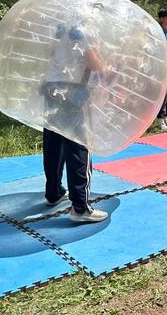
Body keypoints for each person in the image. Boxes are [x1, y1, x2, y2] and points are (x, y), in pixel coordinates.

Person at [43, 21, 108, 223]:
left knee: (54, 139)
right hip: (73, 91)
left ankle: (53, 192)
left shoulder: (61, 28)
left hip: (52, 87)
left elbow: (51, 54)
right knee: (79, 144)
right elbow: (93, 63)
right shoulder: (86, 29)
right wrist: (104, 63)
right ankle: (80, 208)